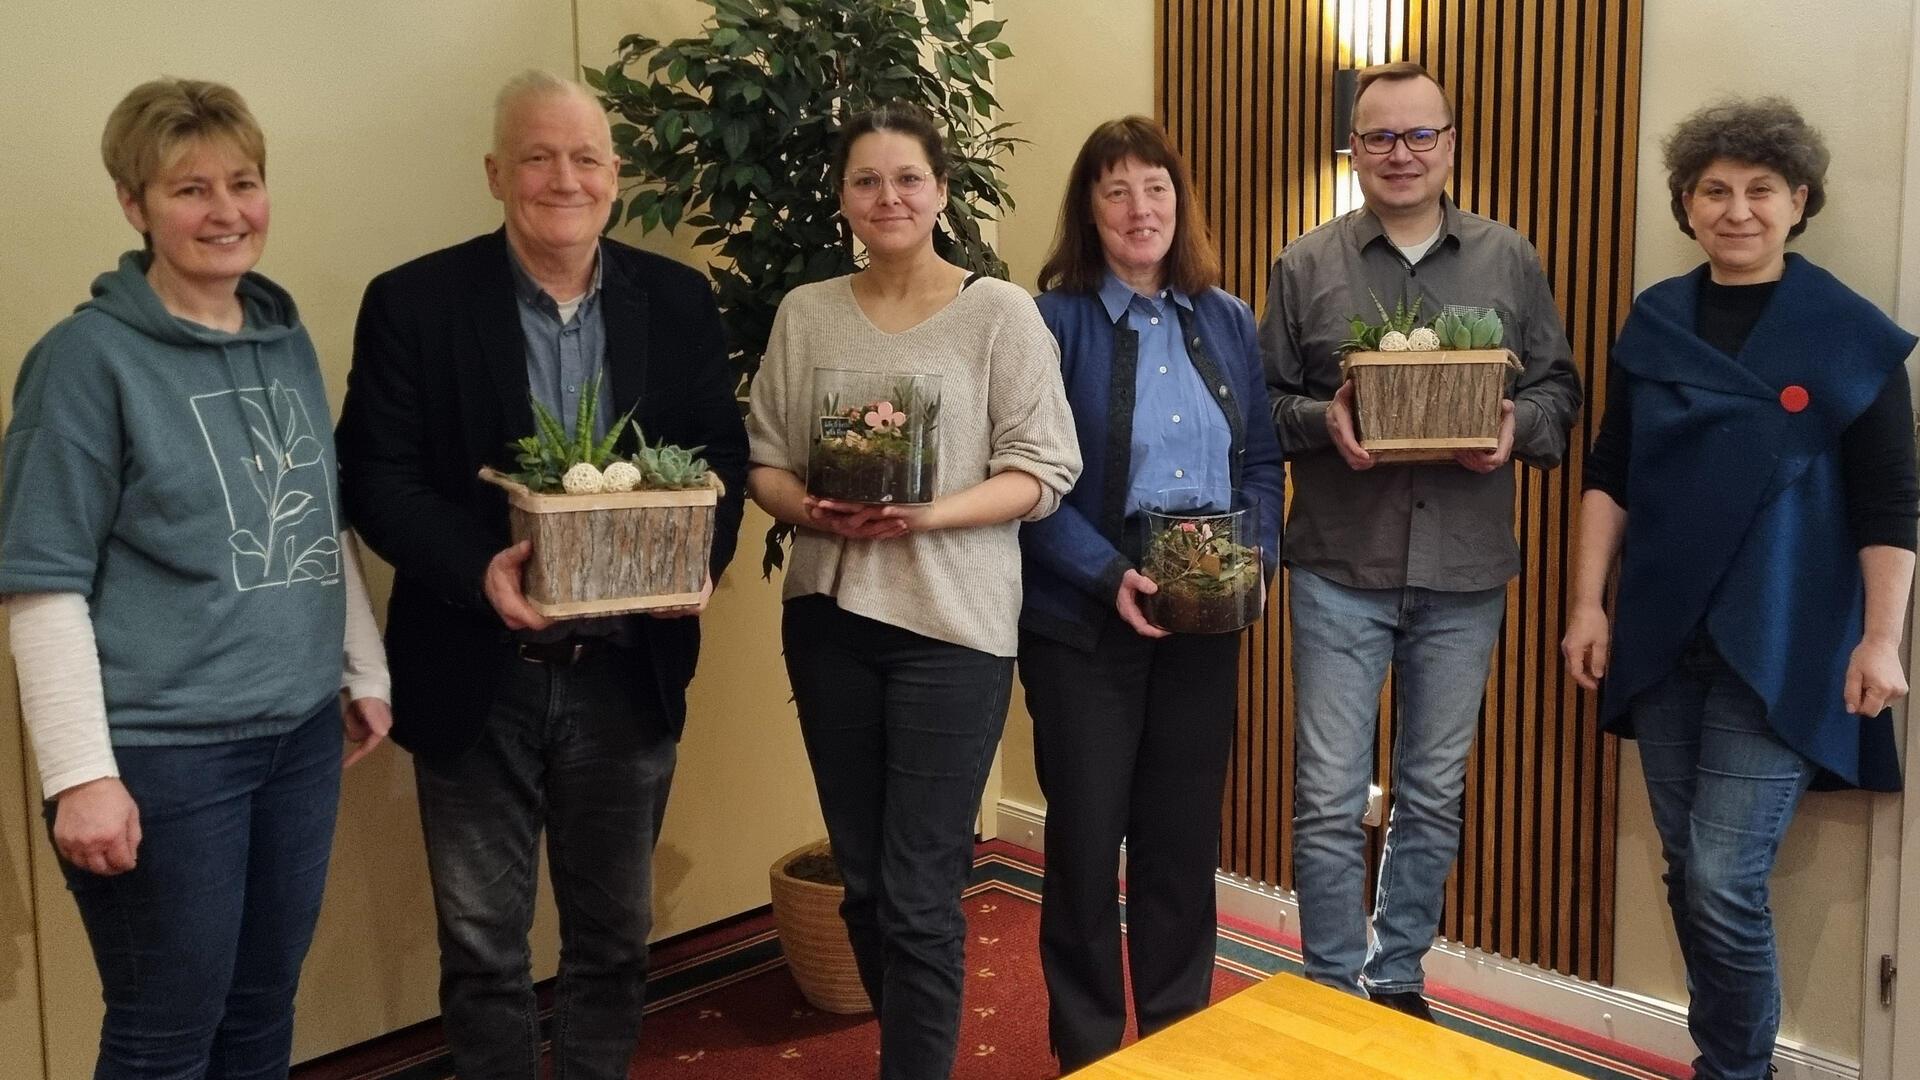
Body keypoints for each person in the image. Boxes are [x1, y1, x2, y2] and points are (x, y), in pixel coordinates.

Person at [334, 70, 746, 1079]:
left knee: (612, 939)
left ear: (615, 176)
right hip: (478, 669)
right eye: (537, 156)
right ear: (495, 173)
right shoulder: (413, 302)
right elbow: (374, 478)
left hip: (626, 667)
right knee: (483, 952)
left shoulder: (679, 300)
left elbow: (721, 460)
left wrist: (698, 561)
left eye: (585, 158)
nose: (563, 178)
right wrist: (482, 571)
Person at [0, 77, 392, 1078]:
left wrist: (362, 667)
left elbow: (315, 516)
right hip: (167, 757)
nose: (225, 212)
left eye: (244, 182)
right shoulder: (85, 362)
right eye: (189, 190)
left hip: (298, 737)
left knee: (262, 1010)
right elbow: (40, 583)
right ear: (134, 205)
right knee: (166, 1032)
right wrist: (81, 776)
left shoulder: (284, 336)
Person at [1562, 98, 1915, 1080]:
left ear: (1798, 200)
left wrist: (1881, 639)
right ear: (1686, 204)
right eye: (1714, 190)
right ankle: (1729, 1061)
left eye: (1760, 189)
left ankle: (1733, 1072)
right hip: (1663, 637)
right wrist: (1589, 604)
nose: (1738, 209)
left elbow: (1892, 502)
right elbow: (1610, 470)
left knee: (1721, 879)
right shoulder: (1656, 319)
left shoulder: (1847, 332)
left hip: (1787, 638)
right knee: (1691, 873)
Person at [744, 102, 1080, 1079]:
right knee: (863, 887)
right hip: (829, 619)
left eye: (907, 178)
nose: (888, 197)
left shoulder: (998, 313)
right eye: (866, 180)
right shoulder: (805, 313)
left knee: (921, 892)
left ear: (940, 191)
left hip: (954, 627)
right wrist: (808, 507)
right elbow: (763, 459)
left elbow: (1043, 469)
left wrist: (927, 516)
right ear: (842, 198)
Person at [1260, 60, 1582, 1017]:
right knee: (1326, 798)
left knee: (1432, 794)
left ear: (1450, 143)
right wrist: (1330, 425)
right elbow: (1265, 410)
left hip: (1464, 573)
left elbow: (1559, 396)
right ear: (1350, 148)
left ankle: (1396, 980)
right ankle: (1327, 990)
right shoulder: (1304, 263)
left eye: (1418, 135)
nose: (1398, 154)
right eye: (1377, 137)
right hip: (1336, 568)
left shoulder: (1509, 259)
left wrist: (1511, 431)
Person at [1017, 116, 1283, 1071]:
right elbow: (1028, 484)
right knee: (1086, 845)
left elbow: (1259, 460)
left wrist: (1255, 560)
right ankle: (1088, 1051)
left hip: (1208, 609)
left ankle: (1176, 1040)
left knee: (1179, 844)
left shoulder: (1230, 318)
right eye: (1117, 189)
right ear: (1090, 209)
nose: (1141, 208)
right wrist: (1104, 573)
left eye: (1156, 187)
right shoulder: (1048, 323)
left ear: (1181, 201)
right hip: (1083, 614)